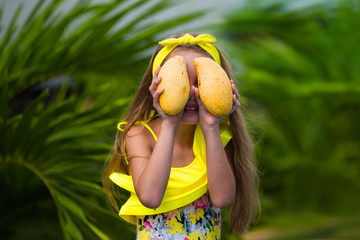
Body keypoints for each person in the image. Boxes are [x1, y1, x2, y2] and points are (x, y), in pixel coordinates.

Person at [103, 32, 260, 239]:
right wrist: (169, 124)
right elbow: (150, 198)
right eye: (181, 80)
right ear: (156, 85)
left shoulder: (218, 136)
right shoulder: (140, 135)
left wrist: (211, 127)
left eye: (201, 81)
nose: (191, 92)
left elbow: (222, 199)